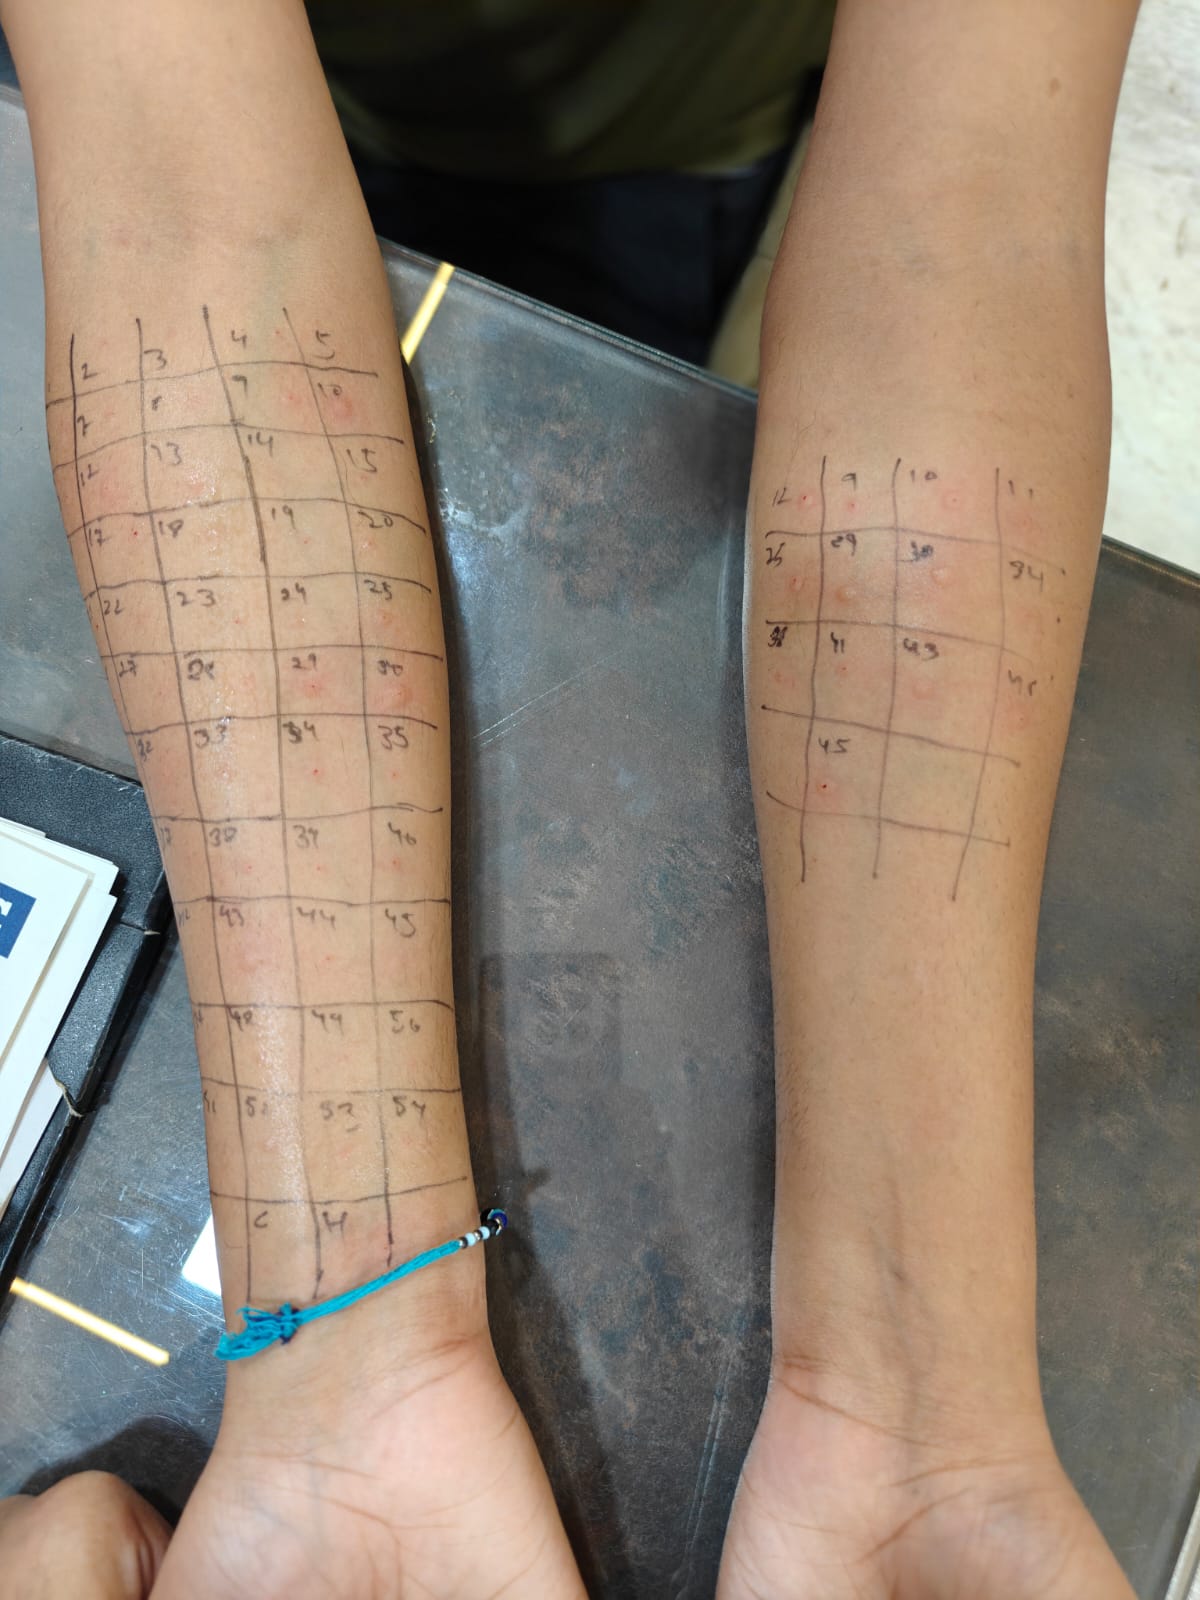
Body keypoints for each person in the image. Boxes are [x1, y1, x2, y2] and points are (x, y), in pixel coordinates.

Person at [0, 1, 1142, 1596]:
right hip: (307, 94)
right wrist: (347, 1359)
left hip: (673, 112)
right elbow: (181, 187)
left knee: (663, 271)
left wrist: (916, 1406)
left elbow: (957, 217)